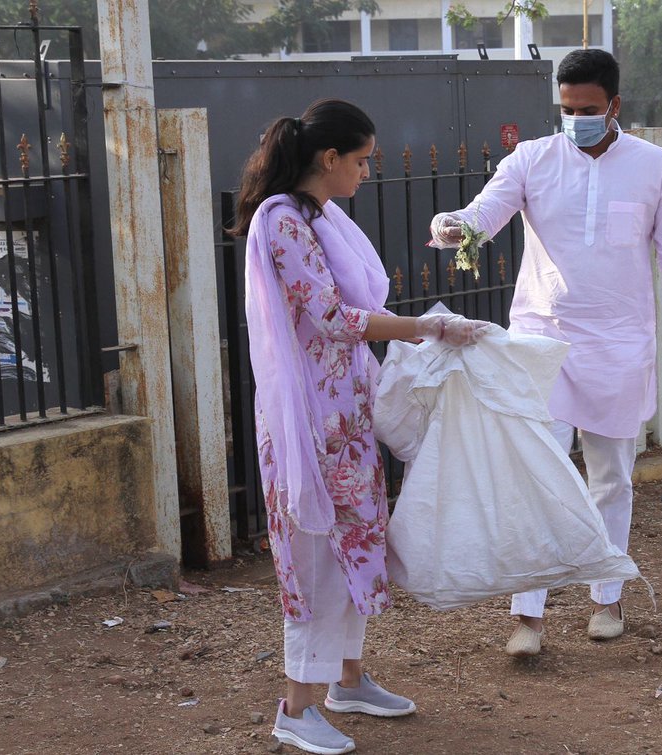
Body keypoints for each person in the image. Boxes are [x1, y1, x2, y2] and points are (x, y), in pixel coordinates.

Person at [428, 49, 662, 657]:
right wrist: (455, 225)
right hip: (542, 339)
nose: (575, 118)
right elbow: (483, 214)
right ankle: (527, 616)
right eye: (566, 109)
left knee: (611, 478)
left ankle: (606, 598)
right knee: (538, 475)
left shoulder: (655, 167)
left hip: (619, 342)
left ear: (615, 106)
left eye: (587, 109)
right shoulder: (532, 158)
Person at [232, 98, 489, 754]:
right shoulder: (285, 222)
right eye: (362, 159)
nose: (366, 172)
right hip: (311, 423)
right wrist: (425, 326)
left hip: (341, 415)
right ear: (329, 158)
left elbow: (347, 314)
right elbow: (331, 317)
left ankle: (345, 679)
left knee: (352, 542)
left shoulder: (318, 218)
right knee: (315, 555)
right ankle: (295, 707)